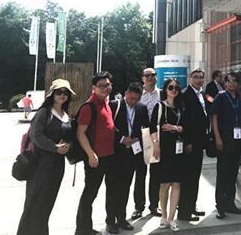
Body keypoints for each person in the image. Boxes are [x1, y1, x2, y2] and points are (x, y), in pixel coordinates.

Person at [17, 79, 74, 235]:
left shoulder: (65, 115)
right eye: (59, 92)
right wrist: (54, 147)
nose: (62, 95)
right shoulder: (44, 112)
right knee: (34, 204)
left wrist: (68, 146)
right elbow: (36, 135)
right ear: (52, 94)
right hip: (41, 164)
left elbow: (69, 136)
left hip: (57, 165)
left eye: (66, 93)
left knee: (47, 204)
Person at [75, 71, 120, 235]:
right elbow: (80, 133)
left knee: (112, 191)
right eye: (101, 86)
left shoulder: (106, 103)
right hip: (96, 158)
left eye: (108, 85)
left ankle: (110, 222)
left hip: (110, 156)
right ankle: (83, 229)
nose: (105, 88)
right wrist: (91, 154)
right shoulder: (89, 106)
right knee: (90, 194)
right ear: (94, 87)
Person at [109, 82, 149, 231]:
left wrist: (137, 139)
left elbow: (145, 128)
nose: (133, 102)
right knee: (113, 188)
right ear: (126, 94)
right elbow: (108, 127)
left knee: (125, 187)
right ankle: (110, 220)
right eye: (131, 98)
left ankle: (121, 218)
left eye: (137, 99)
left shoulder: (142, 108)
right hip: (116, 153)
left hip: (132, 153)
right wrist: (122, 139)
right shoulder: (114, 106)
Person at [150, 80, 187, 231]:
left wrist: (174, 127)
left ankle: (172, 218)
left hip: (178, 150)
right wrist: (156, 145)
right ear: (165, 89)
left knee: (176, 184)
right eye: (170, 87)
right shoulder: (160, 106)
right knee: (164, 184)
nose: (173, 90)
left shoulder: (181, 108)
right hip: (164, 149)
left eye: (176, 87)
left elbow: (185, 127)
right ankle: (164, 217)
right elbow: (152, 127)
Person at [211, 72, 241, 219]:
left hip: (237, 140)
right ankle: (220, 205)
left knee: (233, 173)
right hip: (224, 138)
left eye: (235, 81)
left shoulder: (240, 98)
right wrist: (217, 138)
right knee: (223, 173)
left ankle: (230, 203)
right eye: (229, 81)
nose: (232, 83)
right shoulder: (220, 97)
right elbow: (214, 118)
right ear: (225, 83)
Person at [178, 69, 209, 221]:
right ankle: (184, 211)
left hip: (200, 141)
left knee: (195, 176)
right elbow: (185, 120)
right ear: (190, 78)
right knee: (187, 177)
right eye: (196, 77)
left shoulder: (203, 94)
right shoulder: (185, 95)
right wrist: (187, 142)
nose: (198, 80)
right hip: (190, 142)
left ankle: (192, 206)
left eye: (201, 77)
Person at [132, 67, 162, 219]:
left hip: (157, 137)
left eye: (153, 75)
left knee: (156, 174)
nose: (150, 78)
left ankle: (154, 205)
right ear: (142, 78)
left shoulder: (162, 93)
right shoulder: (137, 95)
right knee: (140, 174)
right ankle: (139, 207)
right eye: (147, 75)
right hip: (140, 137)